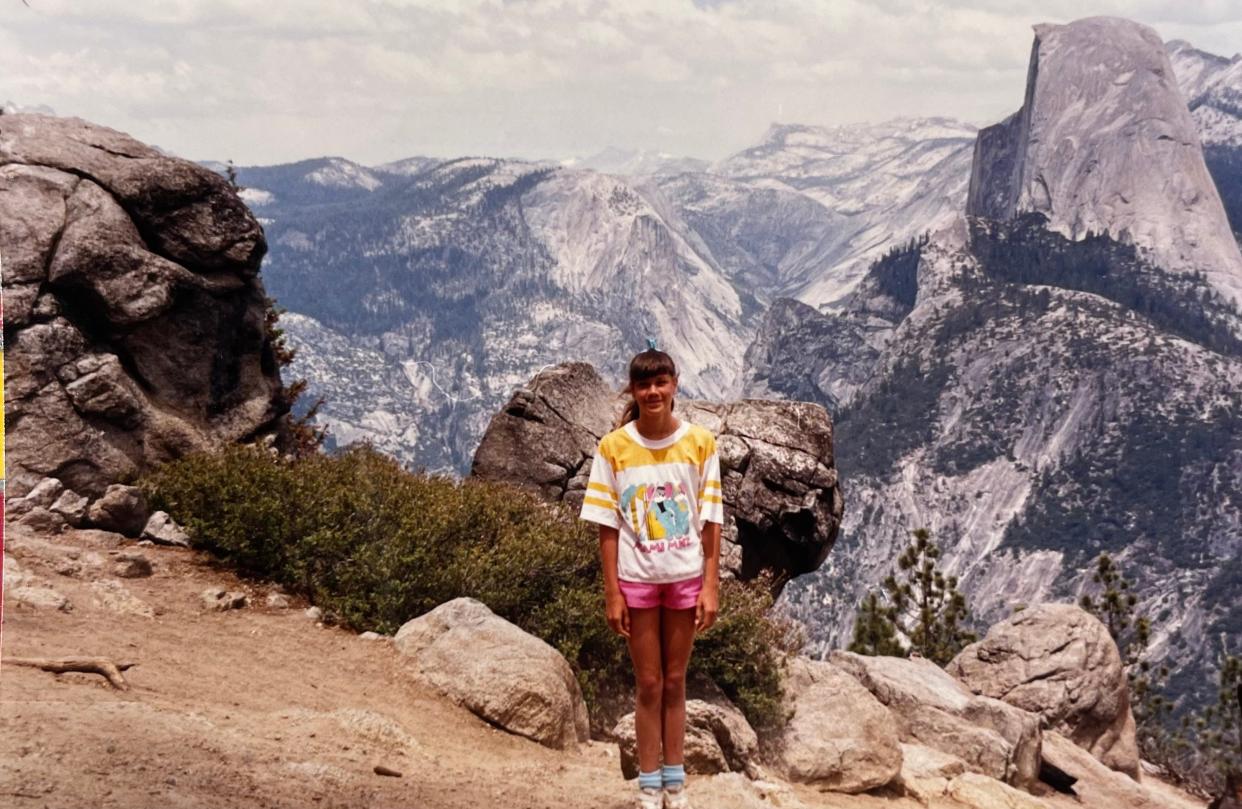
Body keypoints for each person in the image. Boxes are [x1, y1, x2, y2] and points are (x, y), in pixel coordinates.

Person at [579, 342, 725, 809]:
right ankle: (648, 784)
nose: (652, 391)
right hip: (637, 579)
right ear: (634, 390)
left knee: (677, 681)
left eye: (660, 382)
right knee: (648, 684)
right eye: (643, 384)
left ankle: (675, 783)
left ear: (674, 386)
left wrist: (710, 585)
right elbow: (606, 524)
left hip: (683, 577)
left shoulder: (700, 443)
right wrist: (611, 592)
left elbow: (711, 518)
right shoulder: (614, 448)